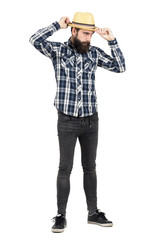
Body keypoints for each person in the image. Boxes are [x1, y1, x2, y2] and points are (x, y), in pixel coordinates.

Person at [29, 12, 126, 233]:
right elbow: (34, 39)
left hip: (91, 120)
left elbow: (120, 67)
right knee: (65, 168)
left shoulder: (93, 53)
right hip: (67, 120)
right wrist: (56, 25)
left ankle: (93, 213)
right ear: (73, 31)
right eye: (84, 34)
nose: (88, 39)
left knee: (90, 167)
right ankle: (61, 215)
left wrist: (112, 41)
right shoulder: (58, 51)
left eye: (91, 35)